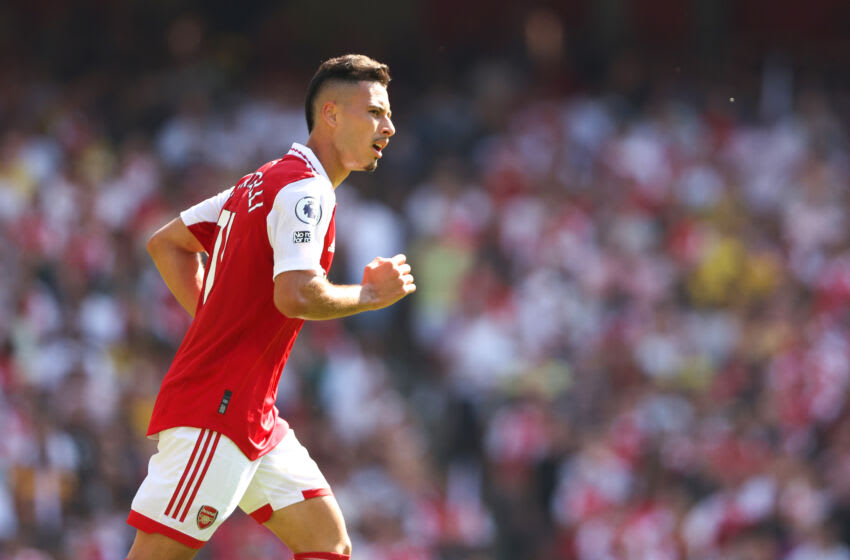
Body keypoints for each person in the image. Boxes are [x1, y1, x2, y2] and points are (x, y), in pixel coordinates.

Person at [126, 54, 414, 560]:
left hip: (254, 413)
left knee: (328, 545)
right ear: (329, 115)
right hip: (217, 409)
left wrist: (219, 323)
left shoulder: (261, 181)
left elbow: (166, 244)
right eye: (374, 112)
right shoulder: (307, 190)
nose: (388, 127)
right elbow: (296, 294)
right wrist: (369, 296)